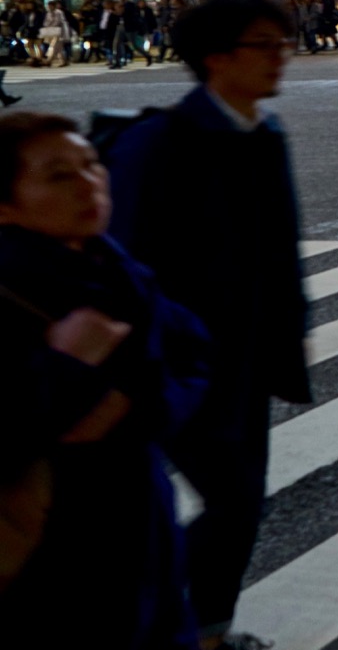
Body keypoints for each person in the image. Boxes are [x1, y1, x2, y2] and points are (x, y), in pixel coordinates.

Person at [108, 0, 310, 650]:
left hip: (247, 357)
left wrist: (289, 331)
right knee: (232, 501)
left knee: (243, 500)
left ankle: (203, 630)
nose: (281, 57)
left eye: (284, 43)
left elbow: (280, 247)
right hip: (182, 359)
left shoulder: (264, 131)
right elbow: (128, 255)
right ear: (217, 57)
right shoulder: (160, 143)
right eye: (265, 45)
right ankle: (171, 629)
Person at [0, 110, 209, 650]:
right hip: (55, 549)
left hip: (142, 524)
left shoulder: (116, 269)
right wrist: (67, 370)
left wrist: (140, 408)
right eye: (58, 175)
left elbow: (193, 353)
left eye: (91, 164)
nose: (88, 182)